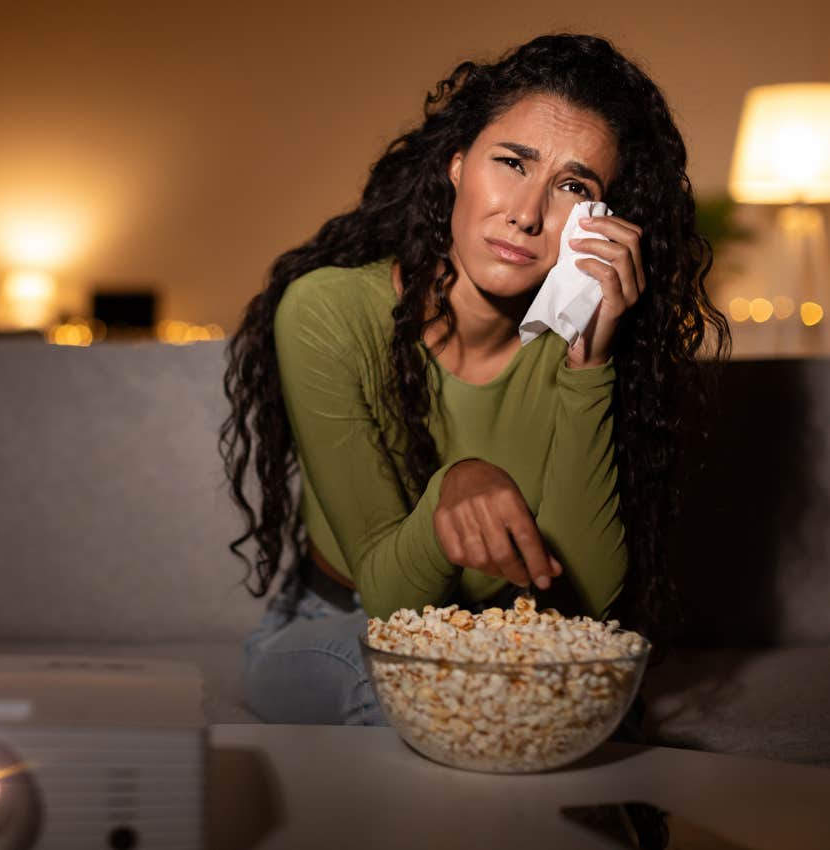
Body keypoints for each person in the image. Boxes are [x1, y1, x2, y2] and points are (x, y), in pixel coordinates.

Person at [220, 33, 730, 726]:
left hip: (503, 636)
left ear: (601, 221)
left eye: (573, 187)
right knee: (420, 697)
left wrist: (590, 361)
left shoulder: (575, 343)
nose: (527, 213)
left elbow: (587, 605)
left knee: (588, 700)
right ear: (457, 164)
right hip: (343, 623)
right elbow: (392, 602)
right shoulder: (328, 311)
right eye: (512, 163)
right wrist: (453, 485)